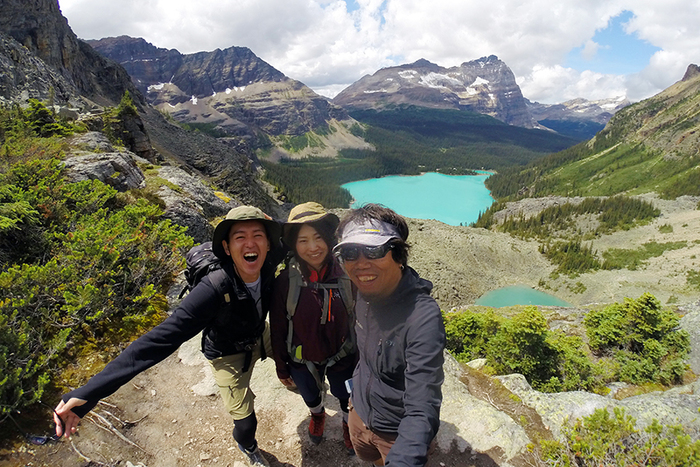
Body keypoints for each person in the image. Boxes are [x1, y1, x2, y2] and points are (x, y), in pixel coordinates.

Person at [53, 205, 284, 467]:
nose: (250, 244)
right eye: (240, 237)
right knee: (245, 422)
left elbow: (302, 234)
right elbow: (157, 341)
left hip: (258, 333)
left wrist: (274, 220)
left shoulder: (269, 259)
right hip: (227, 353)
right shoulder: (213, 289)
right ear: (227, 247)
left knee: (297, 351)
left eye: (258, 235)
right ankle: (248, 445)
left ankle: (300, 384)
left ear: (268, 244)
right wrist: (90, 392)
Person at [333, 203, 445, 467]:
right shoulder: (363, 292)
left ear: (398, 254)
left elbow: (422, 406)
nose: (361, 263)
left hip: (394, 434)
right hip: (358, 414)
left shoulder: (422, 317)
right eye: (350, 252)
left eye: (374, 250)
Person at [269, 202, 357, 454]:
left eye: (318, 238)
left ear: (329, 240)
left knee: (344, 394)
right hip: (301, 356)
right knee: (309, 394)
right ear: (294, 246)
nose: (312, 247)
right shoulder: (286, 281)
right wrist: (281, 364)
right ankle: (317, 415)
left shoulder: (347, 277)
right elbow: (277, 325)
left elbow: (360, 322)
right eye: (303, 240)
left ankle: (346, 422)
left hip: (343, 355)